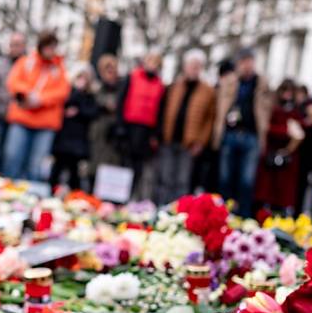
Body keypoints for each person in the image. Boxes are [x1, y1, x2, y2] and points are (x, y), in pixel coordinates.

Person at [2, 31, 70, 180]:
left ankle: (31, 199)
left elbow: (62, 92)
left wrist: (41, 99)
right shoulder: (26, 62)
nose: (50, 51)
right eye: (47, 46)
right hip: (22, 118)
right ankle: (6, 194)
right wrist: (27, 94)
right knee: (12, 158)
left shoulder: (59, 69)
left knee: (36, 166)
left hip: (45, 123)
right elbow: (13, 81)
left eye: (53, 47)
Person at [215, 47, 272, 218]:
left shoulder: (262, 83)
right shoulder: (230, 82)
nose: (247, 66)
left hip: (251, 136)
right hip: (231, 134)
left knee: (247, 181)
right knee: (225, 178)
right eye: (243, 62)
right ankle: (223, 214)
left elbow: (267, 108)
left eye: (250, 62)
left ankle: (244, 216)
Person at [157, 49, 216, 205]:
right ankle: (161, 209)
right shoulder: (174, 87)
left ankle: (177, 211)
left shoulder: (207, 91)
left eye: (197, 66)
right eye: (191, 65)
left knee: (182, 181)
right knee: (165, 178)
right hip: (169, 139)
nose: (194, 69)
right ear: (185, 67)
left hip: (189, 143)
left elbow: (209, 120)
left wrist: (201, 142)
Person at [115, 52, 165, 200]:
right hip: (129, 126)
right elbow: (121, 101)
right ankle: (118, 196)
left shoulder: (159, 85)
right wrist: (120, 126)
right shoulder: (132, 77)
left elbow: (160, 111)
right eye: (150, 61)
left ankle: (131, 196)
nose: (152, 65)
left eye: (156, 62)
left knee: (139, 166)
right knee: (124, 162)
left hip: (146, 130)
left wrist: (155, 134)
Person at [255, 79, 305, 214]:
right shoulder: (274, 109)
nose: (287, 95)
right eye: (285, 91)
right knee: (268, 191)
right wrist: (286, 131)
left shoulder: (296, 111)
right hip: (272, 154)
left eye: (290, 92)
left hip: (288, 156)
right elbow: (268, 128)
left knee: (284, 193)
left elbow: (301, 129)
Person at [49, 65, 100, 191]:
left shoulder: (90, 96)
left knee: (74, 170)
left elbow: (92, 113)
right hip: (63, 137)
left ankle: (74, 195)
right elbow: (64, 105)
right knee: (58, 166)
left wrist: (78, 111)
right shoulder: (68, 91)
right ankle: (51, 190)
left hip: (78, 139)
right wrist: (77, 92)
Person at [0, 32, 28, 167]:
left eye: (18, 45)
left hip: (19, 118)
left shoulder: (28, 66)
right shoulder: (0, 65)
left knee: (12, 154)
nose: (15, 48)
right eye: (13, 45)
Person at [88, 54, 122, 185]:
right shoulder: (96, 88)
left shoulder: (121, 88)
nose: (110, 73)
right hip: (97, 134)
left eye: (112, 69)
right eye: (106, 69)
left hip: (113, 136)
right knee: (95, 168)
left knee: (111, 170)